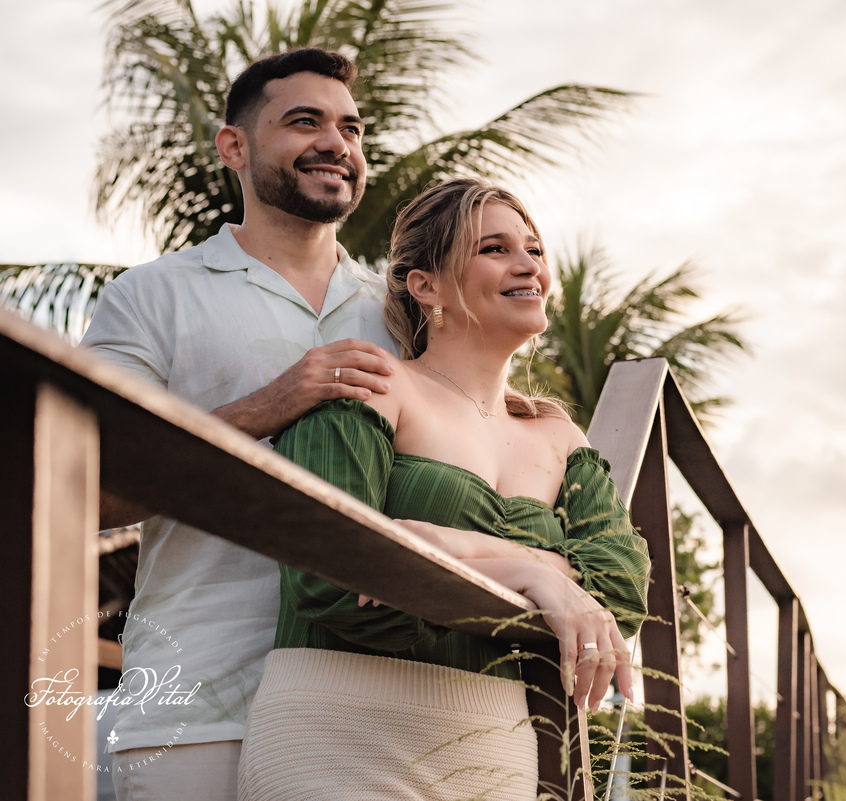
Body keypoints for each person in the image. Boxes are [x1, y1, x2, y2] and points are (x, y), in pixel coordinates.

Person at [237, 178, 652, 800]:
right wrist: (537, 579)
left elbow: (617, 594)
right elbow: (329, 579)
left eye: (534, 249)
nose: (528, 266)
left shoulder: (559, 434)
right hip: (338, 727)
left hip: (497, 745)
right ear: (425, 285)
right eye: (494, 248)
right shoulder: (368, 386)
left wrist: (459, 551)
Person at [81, 48, 398, 801]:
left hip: (373, 707)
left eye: (351, 129)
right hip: (193, 704)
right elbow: (88, 493)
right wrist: (266, 406)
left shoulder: (402, 309)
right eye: (304, 122)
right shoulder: (150, 297)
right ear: (234, 146)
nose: (337, 143)